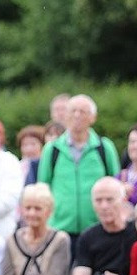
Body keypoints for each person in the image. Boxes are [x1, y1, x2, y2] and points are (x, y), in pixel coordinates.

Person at [37, 94, 120, 252]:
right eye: (73, 111)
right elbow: (43, 188)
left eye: (83, 111)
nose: (77, 115)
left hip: (97, 226)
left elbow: (115, 185)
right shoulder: (52, 149)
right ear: (66, 115)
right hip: (59, 228)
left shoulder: (104, 147)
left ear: (93, 117)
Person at [70, 177, 137, 275]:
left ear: (123, 200)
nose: (104, 206)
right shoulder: (87, 237)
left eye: (109, 200)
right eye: (98, 200)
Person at [0, 184, 71, 275]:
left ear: (48, 211)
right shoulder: (12, 240)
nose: (32, 213)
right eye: (28, 208)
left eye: (38, 209)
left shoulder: (60, 240)